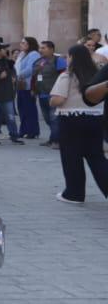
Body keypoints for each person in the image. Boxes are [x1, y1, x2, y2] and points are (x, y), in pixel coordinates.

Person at [51, 44, 108, 204]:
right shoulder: (98, 74)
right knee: (96, 158)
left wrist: (51, 101)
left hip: (71, 120)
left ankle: (74, 193)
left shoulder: (67, 76)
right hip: (95, 119)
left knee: (71, 157)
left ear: (72, 58)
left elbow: (59, 99)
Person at [33, 41, 66, 148]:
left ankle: (57, 141)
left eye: (43, 48)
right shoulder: (38, 61)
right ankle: (53, 138)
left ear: (52, 49)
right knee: (47, 119)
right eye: (40, 48)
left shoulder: (58, 60)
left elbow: (64, 76)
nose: (41, 50)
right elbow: (34, 77)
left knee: (54, 119)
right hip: (41, 95)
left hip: (54, 95)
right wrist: (33, 89)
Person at [14, 36, 41, 139]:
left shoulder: (34, 54)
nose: (21, 45)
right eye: (21, 43)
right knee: (22, 108)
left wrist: (18, 76)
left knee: (29, 109)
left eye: (24, 43)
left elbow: (31, 68)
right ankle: (23, 130)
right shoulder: (22, 54)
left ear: (30, 44)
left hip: (29, 85)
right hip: (21, 85)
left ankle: (32, 131)